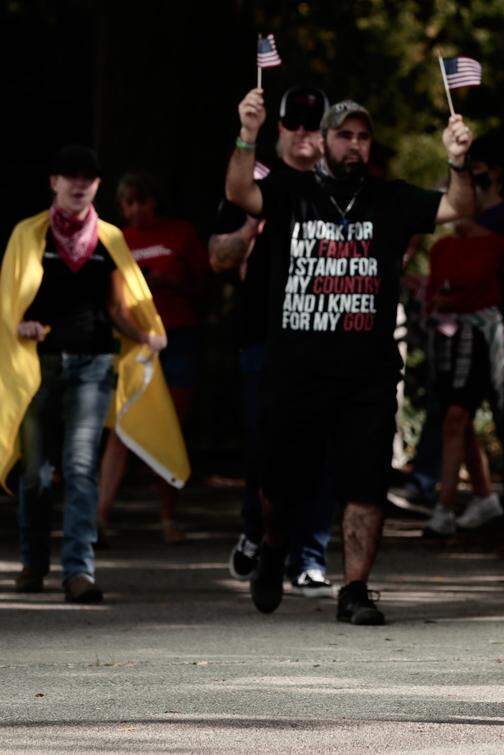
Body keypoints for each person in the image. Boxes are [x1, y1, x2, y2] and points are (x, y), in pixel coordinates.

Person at [224, 90, 474, 625]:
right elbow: (240, 192)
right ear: (325, 140)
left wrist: (457, 160)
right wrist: (248, 134)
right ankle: (272, 548)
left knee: (364, 483)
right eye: (344, 135)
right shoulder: (291, 190)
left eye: (363, 136)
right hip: (295, 369)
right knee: (280, 482)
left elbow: (459, 206)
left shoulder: (391, 199)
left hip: (367, 374)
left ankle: (355, 589)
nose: (354, 145)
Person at [0, 145, 187, 603]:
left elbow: (117, 306)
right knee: (38, 474)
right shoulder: (29, 234)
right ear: (53, 182)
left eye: (87, 177)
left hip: (94, 364)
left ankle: (78, 572)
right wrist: (19, 323)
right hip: (38, 364)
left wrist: (145, 334)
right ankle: (34, 562)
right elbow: (10, 301)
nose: (78, 184)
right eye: (69, 175)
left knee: (82, 467)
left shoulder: (110, 239)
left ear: (97, 185)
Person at [209, 85, 338, 598]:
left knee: (323, 448)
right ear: (279, 128)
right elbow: (218, 257)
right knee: (266, 448)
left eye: (313, 126)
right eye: (295, 125)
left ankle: (310, 555)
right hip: (263, 334)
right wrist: (252, 226)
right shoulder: (253, 183)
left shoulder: (340, 187)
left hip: (325, 335)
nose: (304, 134)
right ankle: (257, 530)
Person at [96, 172, 209, 545]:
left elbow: (207, 285)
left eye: (142, 201)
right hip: (135, 345)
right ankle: (98, 519)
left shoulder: (181, 234)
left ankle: (167, 518)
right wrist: (138, 333)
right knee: (120, 430)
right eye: (129, 203)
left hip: (178, 337)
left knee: (169, 427)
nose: (137, 210)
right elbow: (111, 299)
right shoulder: (117, 241)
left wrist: (172, 284)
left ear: (155, 202)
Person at [421, 212, 504, 536]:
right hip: (446, 338)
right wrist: (436, 302)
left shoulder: (497, 246)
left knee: (456, 416)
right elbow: (433, 293)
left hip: (482, 339)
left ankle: (443, 510)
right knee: (459, 420)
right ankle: (484, 497)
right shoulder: (440, 247)